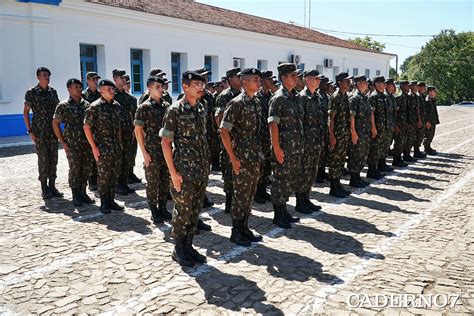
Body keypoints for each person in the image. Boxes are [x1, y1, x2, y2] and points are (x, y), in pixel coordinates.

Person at [160, 71, 209, 267]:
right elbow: (165, 143)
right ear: (185, 87)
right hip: (184, 170)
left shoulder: (201, 108)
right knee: (182, 210)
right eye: (196, 84)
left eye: (202, 84)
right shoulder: (175, 110)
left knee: (195, 210)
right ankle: (179, 248)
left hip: (201, 169)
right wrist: (173, 172)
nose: (200, 87)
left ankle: (188, 245)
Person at [220, 68, 264, 246]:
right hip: (241, 158)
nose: (259, 82)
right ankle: (236, 231)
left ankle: (244, 227)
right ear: (244, 82)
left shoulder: (256, 103)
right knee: (240, 196)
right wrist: (233, 158)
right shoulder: (236, 103)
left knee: (249, 194)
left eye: (259, 79)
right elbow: (224, 131)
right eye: (255, 79)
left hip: (254, 157)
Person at [268, 63, 303, 229]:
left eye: (296, 75)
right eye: (293, 76)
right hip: (283, 148)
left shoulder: (294, 96)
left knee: (288, 181)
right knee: (280, 181)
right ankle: (278, 214)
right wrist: (276, 148)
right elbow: (273, 125)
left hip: (294, 148)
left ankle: (284, 211)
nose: (296, 79)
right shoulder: (278, 98)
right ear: (283, 78)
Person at [134, 76, 172, 225]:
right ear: (149, 88)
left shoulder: (167, 106)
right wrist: (144, 152)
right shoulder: (144, 107)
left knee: (164, 181)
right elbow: (138, 131)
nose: (161, 89)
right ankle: (153, 209)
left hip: (166, 150)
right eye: (157, 87)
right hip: (152, 150)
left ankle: (162, 207)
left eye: (161, 87)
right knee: (152, 182)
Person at [83, 79, 124, 214]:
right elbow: (87, 127)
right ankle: (104, 202)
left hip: (115, 147)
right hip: (102, 147)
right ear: (101, 91)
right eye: (109, 89)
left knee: (114, 174)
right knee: (104, 176)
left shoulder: (117, 106)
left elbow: (118, 127)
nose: (112, 92)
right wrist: (94, 147)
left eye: (113, 89)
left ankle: (111, 200)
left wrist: (119, 143)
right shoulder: (95, 107)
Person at [53, 78, 95, 206]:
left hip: (86, 143)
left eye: (79, 86)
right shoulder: (63, 105)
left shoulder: (87, 105)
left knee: (86, 168)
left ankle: (83, 192)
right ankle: (75, 194)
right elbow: (55, 124)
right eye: (75, 86)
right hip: (72, 144)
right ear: (69, 89)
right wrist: (63, 142)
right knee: (75, 169)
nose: (78, 88)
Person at [23, 67, 62, 199]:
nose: (47, 77)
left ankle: (52, 186)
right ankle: (44, 188)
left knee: (53, 160)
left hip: (52, 132)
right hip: (39, 133)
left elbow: (58, 109)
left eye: (48, 75)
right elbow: (25, 112)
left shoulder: (53, 92)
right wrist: (30, 131)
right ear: (38, 77)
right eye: (44, 75)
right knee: (43, 160)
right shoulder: (32, 92)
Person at [296, 69, 325, 211]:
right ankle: (300, 202)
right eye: (316, 78)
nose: (318, 81)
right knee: (303, 172)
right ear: (307, 79)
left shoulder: (316, 97)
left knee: (312, 172)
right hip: (306, 143)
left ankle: (306, 198)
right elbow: (299, 122)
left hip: (316, 142)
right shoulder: (302, 98)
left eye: (319, 79)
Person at [215, 67, 241, 214]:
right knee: (228, 171)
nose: (240, 79)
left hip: (241, 142)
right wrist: (225, 137)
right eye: (238, 77)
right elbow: (218, 117)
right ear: (231, 79)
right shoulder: (224, 96)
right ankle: (229, 201)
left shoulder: (244, 95)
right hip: (229, 141)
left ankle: (238, 202)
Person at [348, 75, 376, 189]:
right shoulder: (354, 98)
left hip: (365, 132)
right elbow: (351, 117)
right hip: (358, 132)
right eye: (364, 82)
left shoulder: (363, 98)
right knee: (356, 155)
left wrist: (372, 128)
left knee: (362, 155)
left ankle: (358, 176)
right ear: (357, 84)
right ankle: (354, 178)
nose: (366, 84)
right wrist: (353, 132)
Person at [327, 72, 353, 197]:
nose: (348, 83)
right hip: (337, 135)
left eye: (349, 81)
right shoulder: (336, 97)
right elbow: (331, 119)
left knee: (341, 160)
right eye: (346, 81)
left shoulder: (345, 96)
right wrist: (331, 137)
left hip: (343, 135)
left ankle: (338, 185)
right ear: (339, 82)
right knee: (334, 161)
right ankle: (333, 187)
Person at [112, 68, 137, 194]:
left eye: (124, 78)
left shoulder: (129, 98)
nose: (124, 80)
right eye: (121, 78)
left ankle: (124, 182)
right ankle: (117, 184)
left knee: (126, 159)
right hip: (116, 134)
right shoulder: (112, 96)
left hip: (128, 132)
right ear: (115, 79)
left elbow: (133, 115)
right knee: (118, 159)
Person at [253, 70, 276, 204]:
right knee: (260, 167)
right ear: (262, 81)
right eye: (269, 79)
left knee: (267, 166)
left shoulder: (271, 97)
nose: (272, 81)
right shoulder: (257, 98)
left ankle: (262, 190)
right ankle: (256, 192)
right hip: (260, 138)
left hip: (269, 138)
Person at [82, 71, 101, 191]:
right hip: (88, 128)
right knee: (89, 156)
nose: (95, 81)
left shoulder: (100, 94)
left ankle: (99, 179)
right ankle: (91, 180)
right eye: (93, 79)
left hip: (98, 129)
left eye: (96, 79)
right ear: (88, 81)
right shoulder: (83, 95)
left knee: (98, 154)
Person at [367, 76, 388, 180]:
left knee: (379, 148)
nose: (381, 85)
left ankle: (376, 169)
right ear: (375, 85)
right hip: (376, 128)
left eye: (382, 83)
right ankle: (371, 170)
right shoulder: (373, 96)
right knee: (374, 149)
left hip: (383, 127)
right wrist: (373, 128)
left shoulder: (383, 96)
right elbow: (371, 114)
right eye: (378, 83)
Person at [392, 80, 410, 166]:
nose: (408, 87)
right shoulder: (398, 97)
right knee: (399, 142)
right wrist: (395, 125)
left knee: (403, 141)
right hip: (399, 123)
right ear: (402, 86)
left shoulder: (406, 97)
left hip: (405, 123)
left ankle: (400, 158)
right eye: (406, 85)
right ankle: (396, 159)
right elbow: (395, 112)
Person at [423, 86, 439, 154]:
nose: (432, 93)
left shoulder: (432, 100)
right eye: (430, 92)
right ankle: (426, 149)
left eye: (433, 92)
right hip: (429, 121)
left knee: (431, 135)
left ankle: (428, 147)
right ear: (428, 92)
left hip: (433, 121)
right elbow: (425, 112)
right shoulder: (427, 101)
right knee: (428, 135)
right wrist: (427, 122)